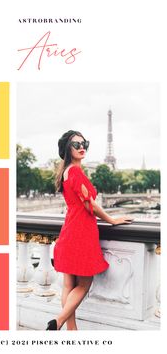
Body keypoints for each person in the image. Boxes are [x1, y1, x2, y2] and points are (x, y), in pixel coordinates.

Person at [46, 130, 133, 330]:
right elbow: (89, 205)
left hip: (69, 230)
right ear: (68, 148)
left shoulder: (66, 171)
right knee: (84, 284)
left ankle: (71, 330)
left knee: (69, 285)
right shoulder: (75, 172)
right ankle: (58, 322)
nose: (81, 147)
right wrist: (112, 219)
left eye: (84, 143)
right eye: (76, 144)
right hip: (82, 232)